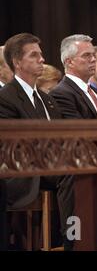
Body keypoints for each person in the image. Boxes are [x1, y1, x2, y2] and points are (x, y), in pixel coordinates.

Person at [0, 33, 74, 250]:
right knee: (72, 170)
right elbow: (13, 145)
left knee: (88, 170)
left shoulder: (46, 99)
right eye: (34, 55)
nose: (42, 59)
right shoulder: (6, 98)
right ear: (17, 62)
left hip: (50, 166)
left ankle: (90, 234)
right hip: (22, 170)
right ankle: (71, 240)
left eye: (40, 54)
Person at [50, 35, 97, 120]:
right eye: (86, 55)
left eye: (93, 55)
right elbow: (78, 129)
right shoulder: (60, 94)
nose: (93, 59)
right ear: (69, 62)